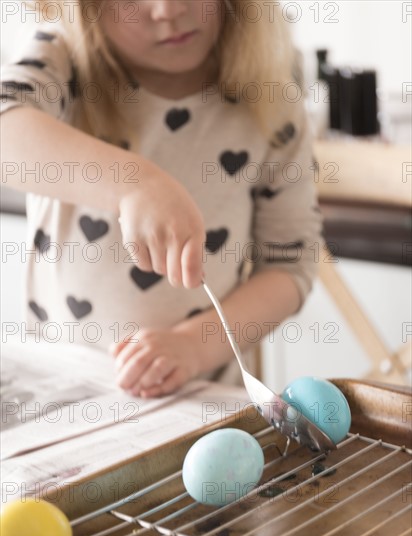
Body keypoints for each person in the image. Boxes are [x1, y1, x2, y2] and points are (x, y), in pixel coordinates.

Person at [1, 0, 322, 398]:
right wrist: (134, 182)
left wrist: (193, 345)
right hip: (59, 396)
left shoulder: (271, 96)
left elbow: (290, 265)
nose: (167, 10)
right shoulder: (60, 53)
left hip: (199, 403)